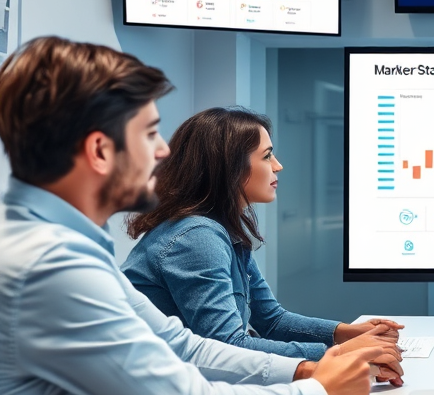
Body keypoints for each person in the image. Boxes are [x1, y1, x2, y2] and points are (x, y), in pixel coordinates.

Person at [0, 37, 401, 395]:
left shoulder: (71, 249)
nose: (163, 151)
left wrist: (313, 371)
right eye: (148, 134)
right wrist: (319, 389)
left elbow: (186, 348)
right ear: (100, 150)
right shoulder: (50, 266)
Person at [123, 107, 403, 377]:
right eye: (267, 156)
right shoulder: (196, 236)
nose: (278, 166)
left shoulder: (219, 228)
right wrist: (341, 354)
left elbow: (271, 320)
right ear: (230, 166)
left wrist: (350, 332)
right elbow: (229, 347)